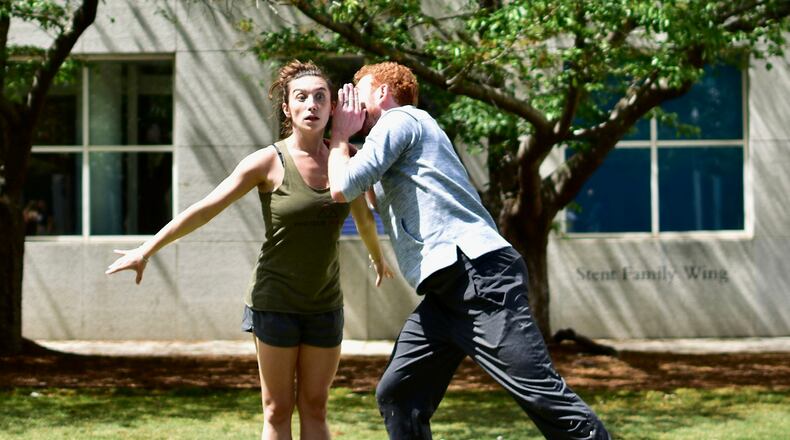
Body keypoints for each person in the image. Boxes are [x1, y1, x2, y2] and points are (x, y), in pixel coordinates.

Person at [106, 60, 393, 440]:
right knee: (276, 410)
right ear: (287, 109)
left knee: (315, 406)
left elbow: (365, 219)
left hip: (325, 305)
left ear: (333, 108)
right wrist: (148, 248)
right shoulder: (267, 162)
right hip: (273, 303)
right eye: (301, 98)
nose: (312, 105)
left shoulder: (347, 161)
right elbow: (205, 208)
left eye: (320, 97)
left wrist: (377, 256)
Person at [327, 62, 610, 439]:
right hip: (446, 293)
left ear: (382, 93)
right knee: (400, 392)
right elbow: (372, 197)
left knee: (541, 393)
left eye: (357, 91)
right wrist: (342, 142)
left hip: (479, 277)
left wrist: (338, 138)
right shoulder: (398, 141)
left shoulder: (400, 120)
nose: (351, 103)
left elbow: (341, 188)